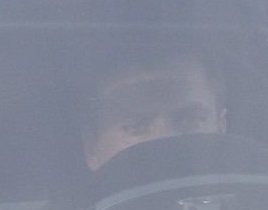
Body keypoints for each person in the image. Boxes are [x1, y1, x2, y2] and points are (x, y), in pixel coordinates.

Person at [81, 50, 228, 174]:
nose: (166, 153)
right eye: (136, 126)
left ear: (222, 128)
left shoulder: (250, 206)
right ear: (92, 149)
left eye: (190, 120)